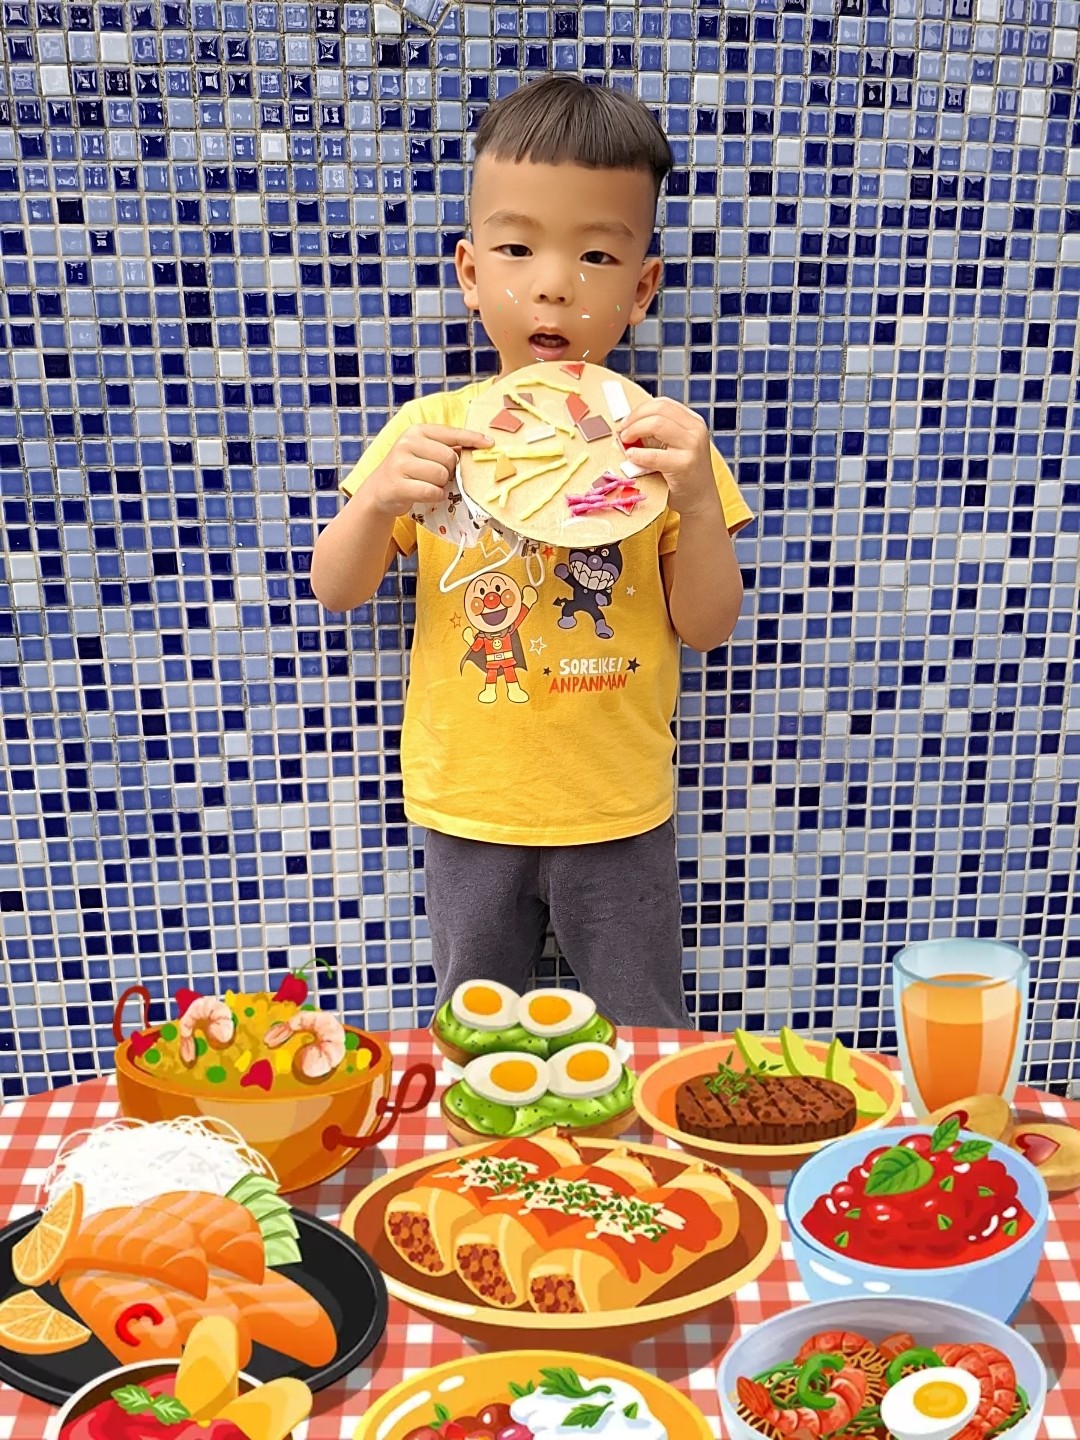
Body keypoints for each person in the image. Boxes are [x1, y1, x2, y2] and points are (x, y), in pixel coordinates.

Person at [311, 75, 752, 1028]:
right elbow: (337, 590)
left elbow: (709, 626)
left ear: (642, 288)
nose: (555, 282)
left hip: (620, 806)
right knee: (473, 1034)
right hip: (471, 804)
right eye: (518, 248)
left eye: (596, 254)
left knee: (644, 1032)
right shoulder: (430, 430)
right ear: (471, 273)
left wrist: (696, 499)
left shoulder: (662, 443)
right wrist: (379, 498)